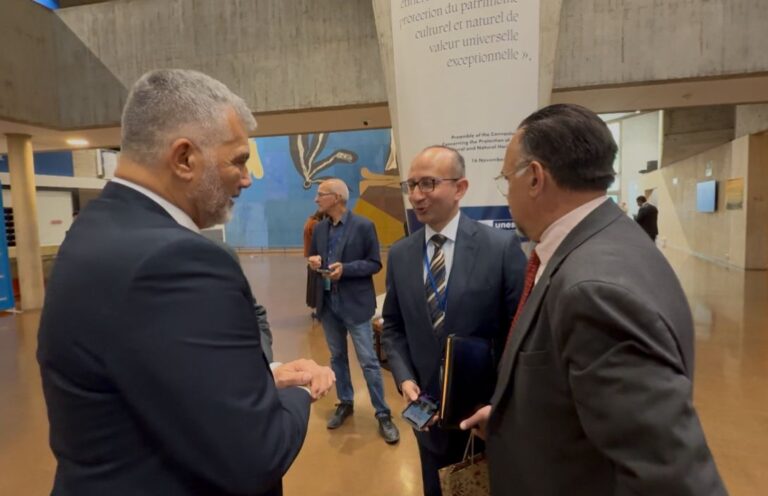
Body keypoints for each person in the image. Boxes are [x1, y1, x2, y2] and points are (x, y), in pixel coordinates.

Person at [37, 69, 334, 496]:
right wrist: (301, 392)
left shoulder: (94, 230)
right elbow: (255, 454)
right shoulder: (177, 260)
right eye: (238, 161)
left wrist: (265, 376)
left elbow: (153, 376)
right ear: (184, 159)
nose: (246, 178)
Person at [461, 104, 726, 495]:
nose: (507, 192)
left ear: (534, 177)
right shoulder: (612, 240)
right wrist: (512, 423)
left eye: (506, 178)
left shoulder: (592, 291)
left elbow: (672, 479)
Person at [381, 145, 526, 496]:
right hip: (426, 419)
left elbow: (521, 335)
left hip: (483, 420)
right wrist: (404, 378)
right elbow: (393, 327)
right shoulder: (401, 255)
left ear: (460, 188)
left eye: (428, 183)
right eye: (411, 185)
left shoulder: (500, 248)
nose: (416, 195)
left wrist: (500, 404)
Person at [307, 178, 400, 444]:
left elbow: (374, 263)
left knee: (368, 361)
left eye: (321, 194)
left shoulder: (363, 226)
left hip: (355, 305)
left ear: (336, 198)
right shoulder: (319, 228)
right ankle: (345, 401)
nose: (316, 199)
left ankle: (383, 413)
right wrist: (314, 261)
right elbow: (314, 257)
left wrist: (346, 270)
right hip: (328, 305)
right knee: (337, 357)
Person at [303, 210, 325, 317]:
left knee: (313, 285)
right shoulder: (315, 224)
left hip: (311, 256)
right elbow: (320, 240)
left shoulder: (309, 221)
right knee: (317, 286)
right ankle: (319, 310)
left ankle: (317, 309)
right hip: (316, 257)